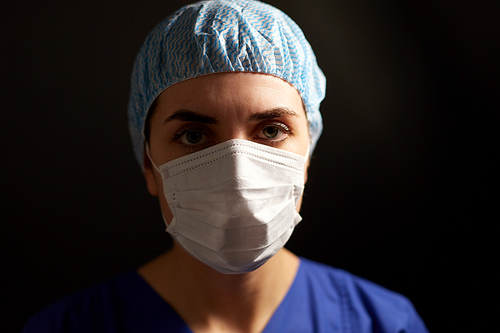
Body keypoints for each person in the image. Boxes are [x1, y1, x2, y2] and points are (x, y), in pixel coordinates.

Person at [22, 1, 429, 332]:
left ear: (307, 156)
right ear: (149, 164)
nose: (238, 170)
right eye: (194, 136)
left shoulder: (381, 323)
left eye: (271, 129)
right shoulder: (71, 327)